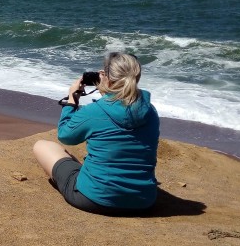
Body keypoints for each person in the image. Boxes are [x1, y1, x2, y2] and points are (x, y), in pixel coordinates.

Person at [32, 52, 160, 215]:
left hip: (94, 199)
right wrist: (107, 91)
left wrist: (72, 98)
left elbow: (65, 135)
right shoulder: (150, 111)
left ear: (106, 76)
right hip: (144, 201)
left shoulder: (95, 111)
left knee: (42, 146)